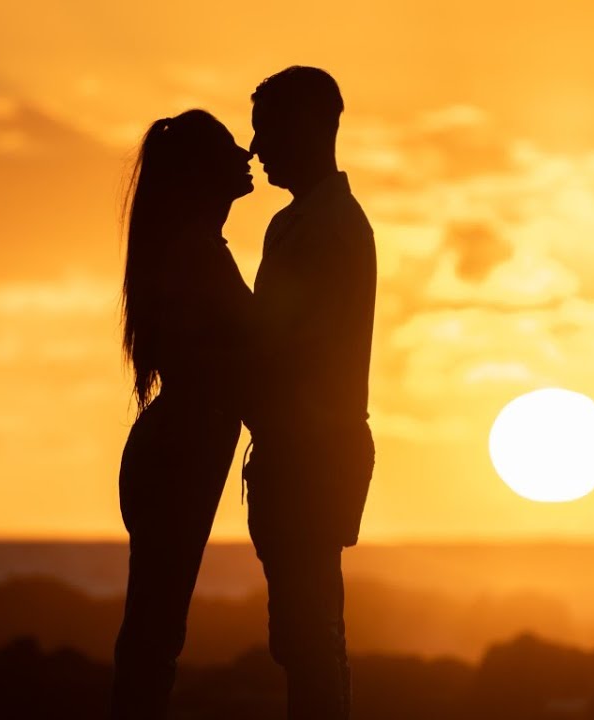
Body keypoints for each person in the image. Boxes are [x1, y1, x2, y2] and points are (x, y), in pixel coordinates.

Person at [242, 66, 378, 719]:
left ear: (307, 127)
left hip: (313, 453)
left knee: (310, 633)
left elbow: (292, 348)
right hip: (304, 450)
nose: (255, 147)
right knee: (307, 633)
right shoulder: (300, 223)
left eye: (266, 129)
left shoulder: (329, 228)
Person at [109, 109, 255, 720]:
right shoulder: (194, 253)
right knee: (155, 635)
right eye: (229, 147)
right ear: (203, 172)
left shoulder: (193, 248)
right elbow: (240, 361)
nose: (246, 154)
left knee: (156, 633)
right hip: (178, 457)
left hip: (176, 451)